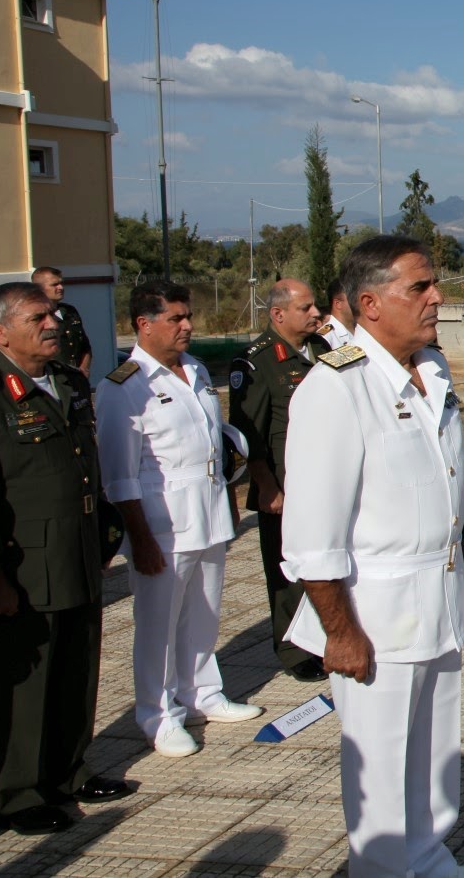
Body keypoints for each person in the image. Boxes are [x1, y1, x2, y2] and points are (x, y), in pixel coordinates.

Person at [280, 236, 464, 878]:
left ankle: (430, 861)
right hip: (372, 619)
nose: (437, 297)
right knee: (379, 774)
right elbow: (312, 539)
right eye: (419, 287)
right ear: (370, 304)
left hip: (439, 603)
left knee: (433, 758)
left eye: (434, 284)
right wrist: (339, 633)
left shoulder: (432, 371)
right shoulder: (336, 387)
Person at [97, 281, 261, 759]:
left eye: (187, 316)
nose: (187, 325)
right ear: (143, 325)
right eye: (176, 318)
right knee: (158, 625)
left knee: (204, 613)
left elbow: (215, 445)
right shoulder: (125, 387)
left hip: (208, 514)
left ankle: (202, 693)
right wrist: (139, 538)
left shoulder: (193, 369)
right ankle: (158, 713)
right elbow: (120, 476)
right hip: (162, 523)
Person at [0, 283, 133, 836]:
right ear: (0, 332)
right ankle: (20, 791)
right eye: (37, 317)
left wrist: (102, 533)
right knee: (29, 682)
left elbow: (83, 464)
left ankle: (69, 772)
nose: (52, 323)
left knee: (79, 666)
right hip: (23, 561)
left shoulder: (71, 381)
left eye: (52, 314)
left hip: (76, 547)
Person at [227, 279, 331, 683]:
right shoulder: (256, 361)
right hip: (285, 485)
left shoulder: (323, 350)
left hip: (325, 477)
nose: (315, 314)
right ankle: (293, 649)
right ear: (278, 314)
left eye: (315, 306)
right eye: (305, 308)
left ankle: (323, 633)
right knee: (287, 569)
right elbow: (247, 432)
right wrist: (266, 486)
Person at [30, 267, 92, 377]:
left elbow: (85, 346)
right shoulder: (33, 316)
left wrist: (83, 369)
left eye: (61, 283)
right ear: (38, 288)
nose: (61, 287)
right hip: (53, 377)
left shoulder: (69, 312)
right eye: (54, 284)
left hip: (76, 378)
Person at [319, 277, 357, 350]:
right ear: (338, 304)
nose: (359, 303)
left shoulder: (361, 328)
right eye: (354, 299)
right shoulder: (325, 337)